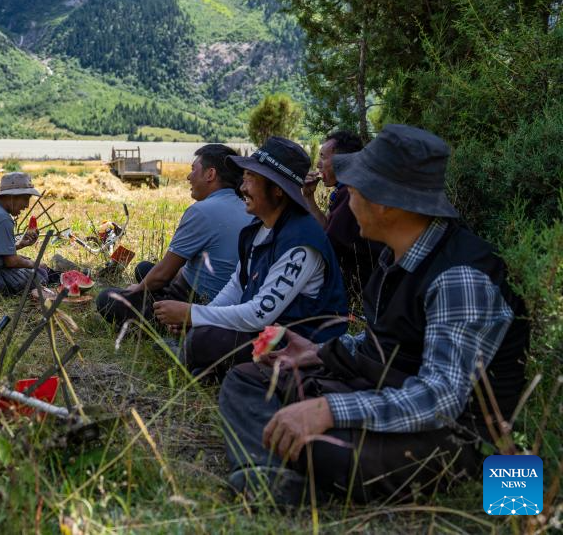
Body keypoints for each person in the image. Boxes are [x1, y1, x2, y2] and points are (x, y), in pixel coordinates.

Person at [217, 125, 529, 503]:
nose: (346, 202)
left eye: (354, 191)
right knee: (248, 381)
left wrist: (330, 409)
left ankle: (286, 473)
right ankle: (274, 476)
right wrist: (317, 353)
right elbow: (389, 342)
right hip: (389, 392)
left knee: (316, 441)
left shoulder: (459, 278)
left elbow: (440, 400)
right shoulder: (395, 255)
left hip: (448, 438)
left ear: (384, 202)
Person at [153, 137, 348, 379]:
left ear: (277, 189)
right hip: (268, 332)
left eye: (251, 179)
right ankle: (214, 367)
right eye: (244, 178)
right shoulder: (259, 227)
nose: (242, 188)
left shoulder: (302, 243)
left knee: (204, 341)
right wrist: (199, 319)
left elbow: (259, 314)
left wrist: (193, 314)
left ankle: (214, 365)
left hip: (300, 344)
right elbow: (238, 284)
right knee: (203, 338)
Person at [96, 144, 251, 327]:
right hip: (230, 300)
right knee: (144, 268)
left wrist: (136, 290)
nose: (188, 177)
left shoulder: (202, 211)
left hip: (198, 304)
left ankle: (165, 326)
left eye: (194, 170)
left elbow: (163, 275)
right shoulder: (247, 208)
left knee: (106, 298)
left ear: (210, 174)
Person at [302, 130, 382, 298]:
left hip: (360, 293)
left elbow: (326, 246)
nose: (317, 165)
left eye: (323, 157)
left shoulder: (351, 193)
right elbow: (328, 230)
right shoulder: (346, 190)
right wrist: (309, 196)